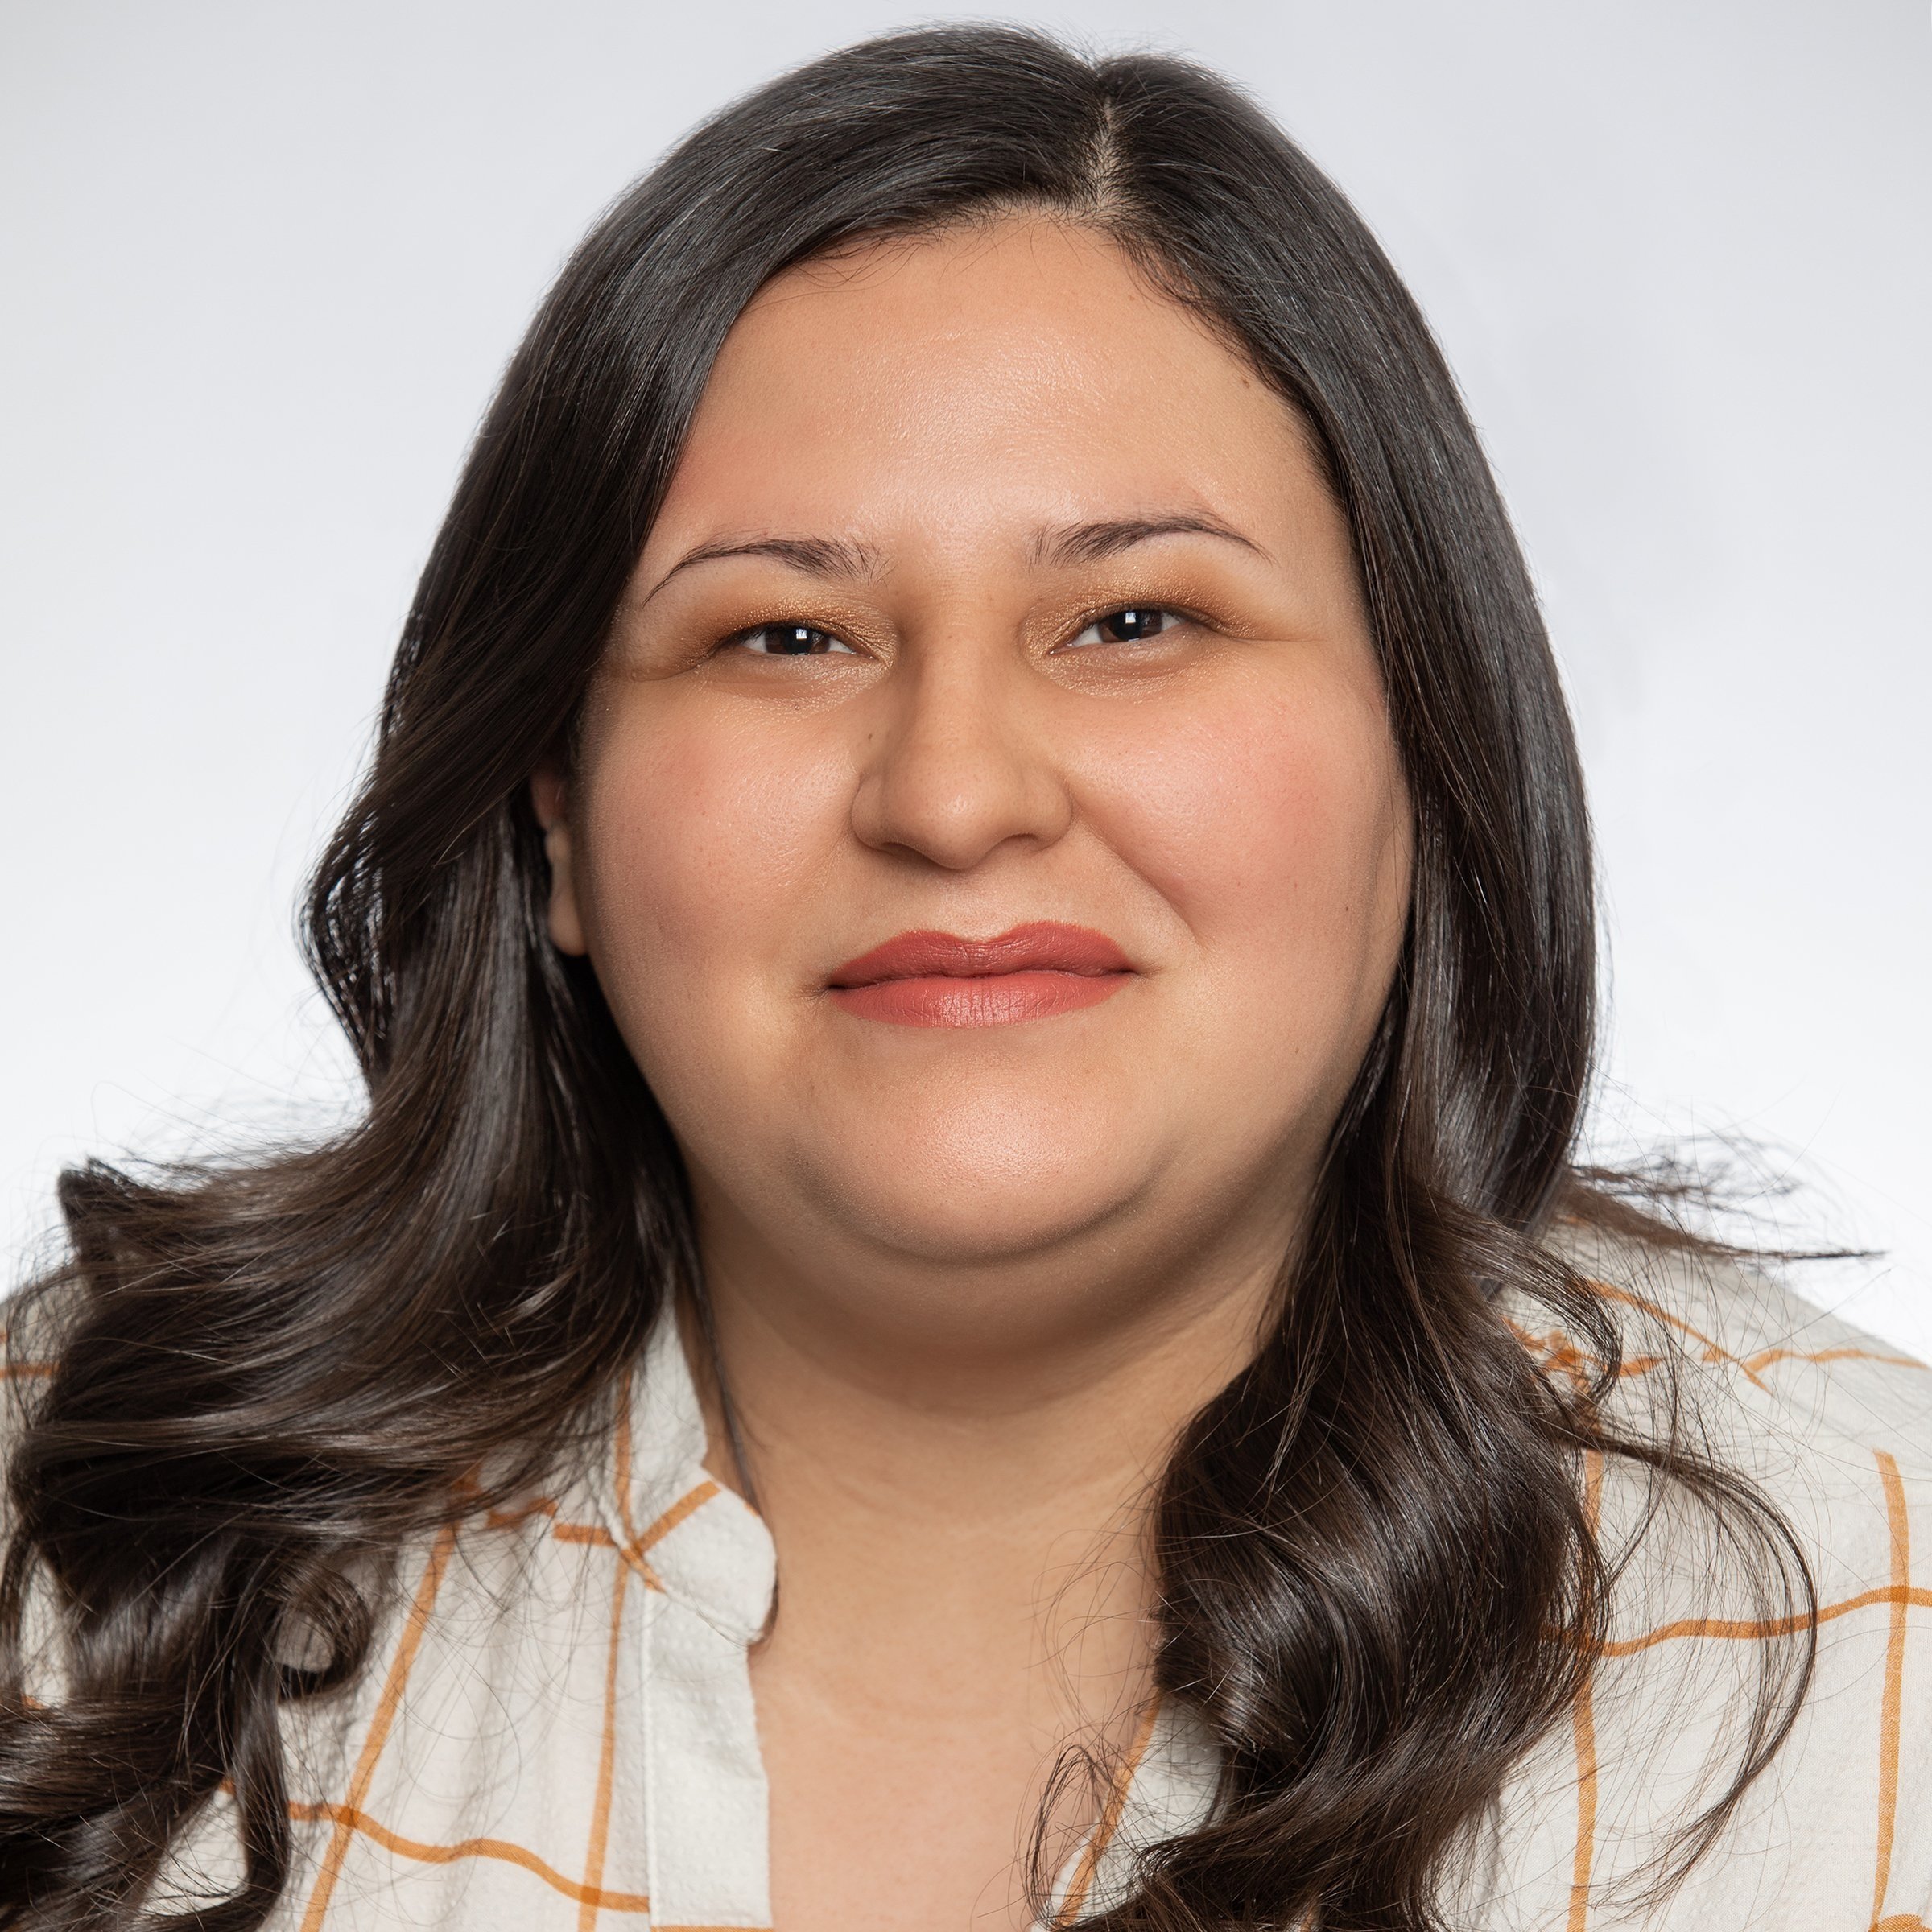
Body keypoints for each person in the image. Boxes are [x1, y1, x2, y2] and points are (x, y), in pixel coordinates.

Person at [2, 25, 1927, 1932]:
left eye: (1133, 616)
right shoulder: (65, 1527)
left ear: (1426, 748)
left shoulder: (1886, 1630)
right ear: (559, 815)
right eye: (784, 635)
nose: (951, 795)